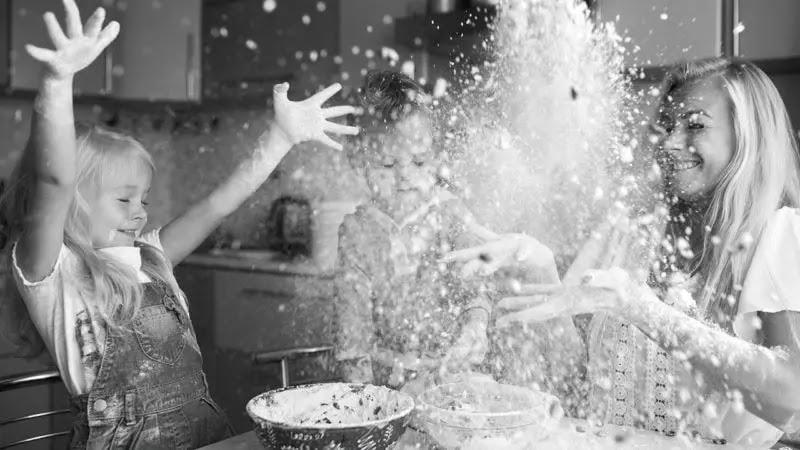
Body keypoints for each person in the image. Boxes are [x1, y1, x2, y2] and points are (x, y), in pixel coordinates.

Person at [0, 1, 359, 447]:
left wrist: (278, 139)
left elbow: (217, 205)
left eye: (143, 199)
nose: (140, 211)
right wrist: (57, 83)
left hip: (204, 435)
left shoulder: (152, 256)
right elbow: (53, 180)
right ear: (73, 204)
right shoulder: (54, 275)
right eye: (123, 199)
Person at [442, 57, 800, 447]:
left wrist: (642, 308)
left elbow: (791, 398)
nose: (669, 141)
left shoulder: (780, 235)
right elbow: (581, 382)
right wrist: (540, 267)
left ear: (747, 135)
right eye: (667, 126)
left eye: (695, 125)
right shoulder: (632, 230)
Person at [332, 71, 492, 396]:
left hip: (451, 379)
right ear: (359, 160)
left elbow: (475, 290)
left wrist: (475, 327)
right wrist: (362, 401)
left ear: (437, 160)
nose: (404, 176)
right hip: (384, 385)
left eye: (419, 163)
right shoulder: (357, 231)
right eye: (387, 165)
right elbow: (353, 332)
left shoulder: (451, 215)